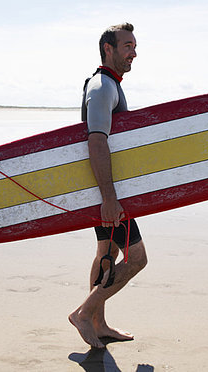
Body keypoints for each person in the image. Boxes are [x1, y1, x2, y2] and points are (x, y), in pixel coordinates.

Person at [69, 23, 148, 349]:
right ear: (108, 49)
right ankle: (85, 314)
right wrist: (109, 199)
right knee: (137, 259)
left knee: (107, 252)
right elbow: (97, 141)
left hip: (104, 190)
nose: (134, 52)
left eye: (134, 46)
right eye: (127, 45)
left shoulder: (108, 85)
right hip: (109, 193)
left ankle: (98, 323)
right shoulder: (103, 87)